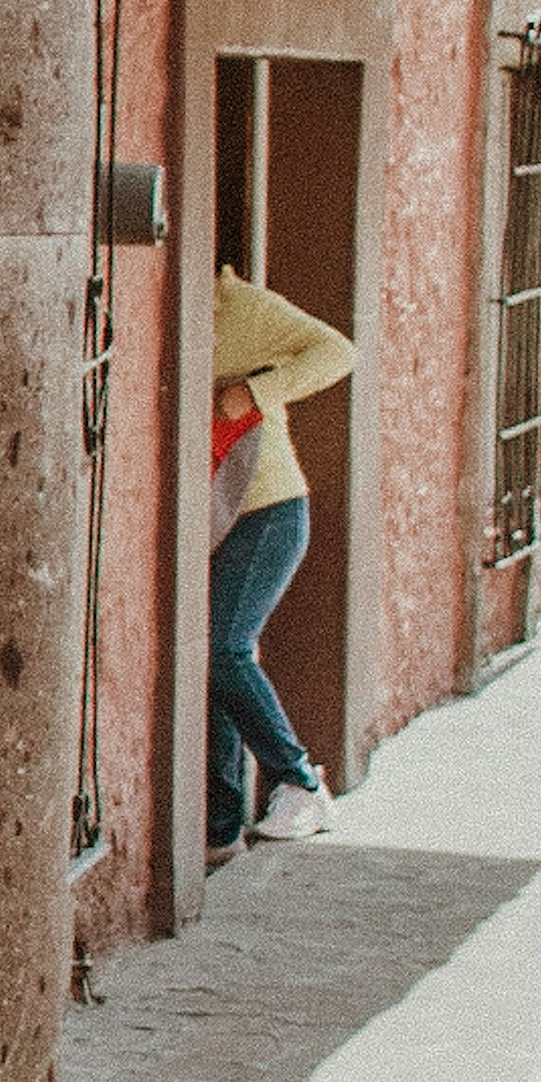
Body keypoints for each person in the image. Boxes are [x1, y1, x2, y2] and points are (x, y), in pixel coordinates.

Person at [209, 268, 355, 862]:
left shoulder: (239, 304)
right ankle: (220, 827)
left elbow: (338, 351)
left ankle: (301, 782)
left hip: (269, 513)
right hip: (215, 515)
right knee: (209, 661)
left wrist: (257, 390)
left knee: (223, 647)